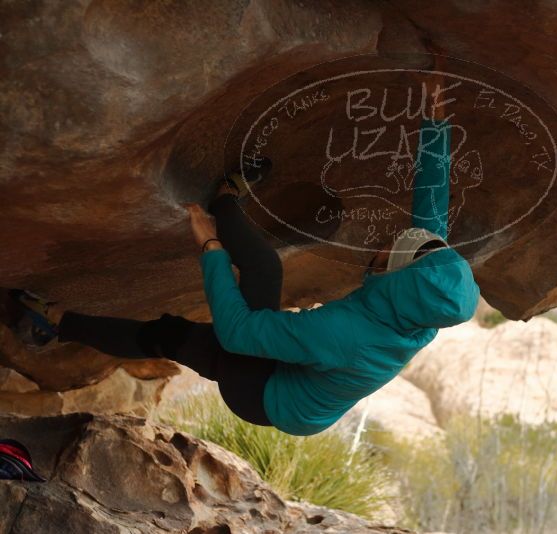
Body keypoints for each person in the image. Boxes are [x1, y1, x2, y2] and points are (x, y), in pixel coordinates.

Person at [8, 76, 479, 437]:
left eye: (391, 251)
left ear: (398, 275)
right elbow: (431, 212)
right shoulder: (426, 296)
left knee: (214, 306)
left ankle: (52, 320)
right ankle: (54, 321)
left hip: (267, 398)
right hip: (299, 369)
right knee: (204, 311)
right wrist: (435, 120)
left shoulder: (349, 335)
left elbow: (238, 334)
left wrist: (211, 248)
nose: (387, 242)